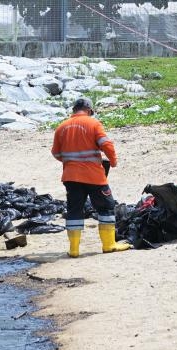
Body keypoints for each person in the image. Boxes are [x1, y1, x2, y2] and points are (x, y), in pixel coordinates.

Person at [51, 97, 129, 258]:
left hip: (71, 177)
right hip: (94, 176)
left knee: (74, 210)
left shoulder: (61, 127)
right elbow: (106, 144)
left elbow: (56, 153)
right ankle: (109, 245)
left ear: (74, 110)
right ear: (88, 110)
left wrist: (70, 162)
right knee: (106, 207)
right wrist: (113, 161)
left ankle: (74, 250)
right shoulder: (93, 123)